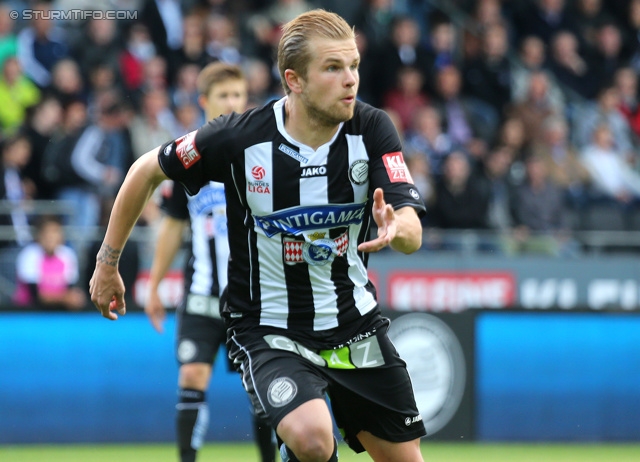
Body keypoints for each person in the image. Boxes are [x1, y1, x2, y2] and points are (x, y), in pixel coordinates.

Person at [90, 9, 427, 462]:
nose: (351, 80)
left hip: (355, 325)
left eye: (354, 66)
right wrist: (107, 263)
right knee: (312, 438)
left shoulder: (373, 129)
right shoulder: (238, 139)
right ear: (295, 80)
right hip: (269, 328)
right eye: (333, 67)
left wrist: (397, 227)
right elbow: (145, 170)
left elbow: (410, 226)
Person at [143, 61, 276, 462]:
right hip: (202, 294)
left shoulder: (262, 155)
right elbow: (171, 228)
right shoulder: (185, 158)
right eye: (223, 96)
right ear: (204, 102)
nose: (232, 103)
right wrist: (153, 286)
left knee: (264, 387)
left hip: (253, 297)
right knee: (192, 375)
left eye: (238, 95)